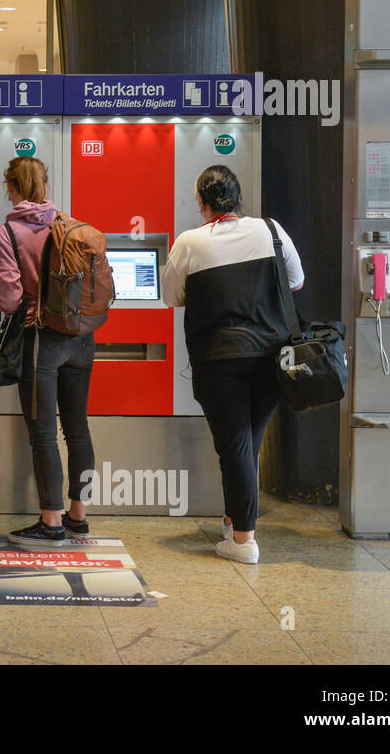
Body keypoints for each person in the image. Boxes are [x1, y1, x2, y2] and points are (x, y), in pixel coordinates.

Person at [161, 165, 304, 564]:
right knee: (246, 444)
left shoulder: (190, 242)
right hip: (272, 358)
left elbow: (171, 296)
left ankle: (243, 540)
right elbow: (295, 280)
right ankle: (233, 518)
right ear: (238, 197)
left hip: (220, 358)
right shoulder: (271, 230)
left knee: (236, 445)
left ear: (203, 202)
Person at [0, 156, 96, 547]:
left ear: (11, 187)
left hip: (42, 340)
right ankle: (78, 517)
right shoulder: (67, 222)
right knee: (78, 429)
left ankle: (51, 522)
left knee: (43, 435)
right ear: (45, 185)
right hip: (82, 338)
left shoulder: (7, 234)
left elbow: (11, 298)